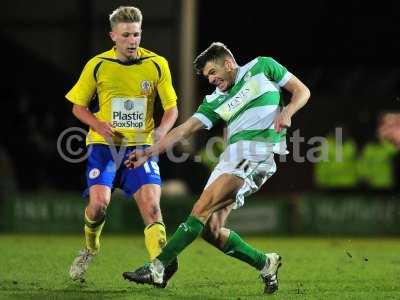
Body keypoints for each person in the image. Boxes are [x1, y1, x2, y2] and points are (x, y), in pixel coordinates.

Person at [122, 42, 310, 294]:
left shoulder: (263, 66)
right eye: (207, 76)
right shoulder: (216, 100)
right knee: (210, 230)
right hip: (231, 157)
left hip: (257, 150)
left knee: (200, 207)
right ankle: (266, 263)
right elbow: (184, 129)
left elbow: (302, 91)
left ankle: (158, 266)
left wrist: (287, 111)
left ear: (229, 64)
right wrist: (148, 152)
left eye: (213, 72)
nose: (211, 79)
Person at [65, 6, 179, 285]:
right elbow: (78, 108)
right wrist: (98, 125)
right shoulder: (98, 65)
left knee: (152, 207)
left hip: (140, 149)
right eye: (126, 35)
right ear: (113, 36)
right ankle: (90, 248)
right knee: (99, 206)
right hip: (104, 147)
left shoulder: (156, 64)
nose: (133, 41)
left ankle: (158, 268)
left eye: (137, 34)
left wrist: (161, 132)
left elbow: (172, 108)